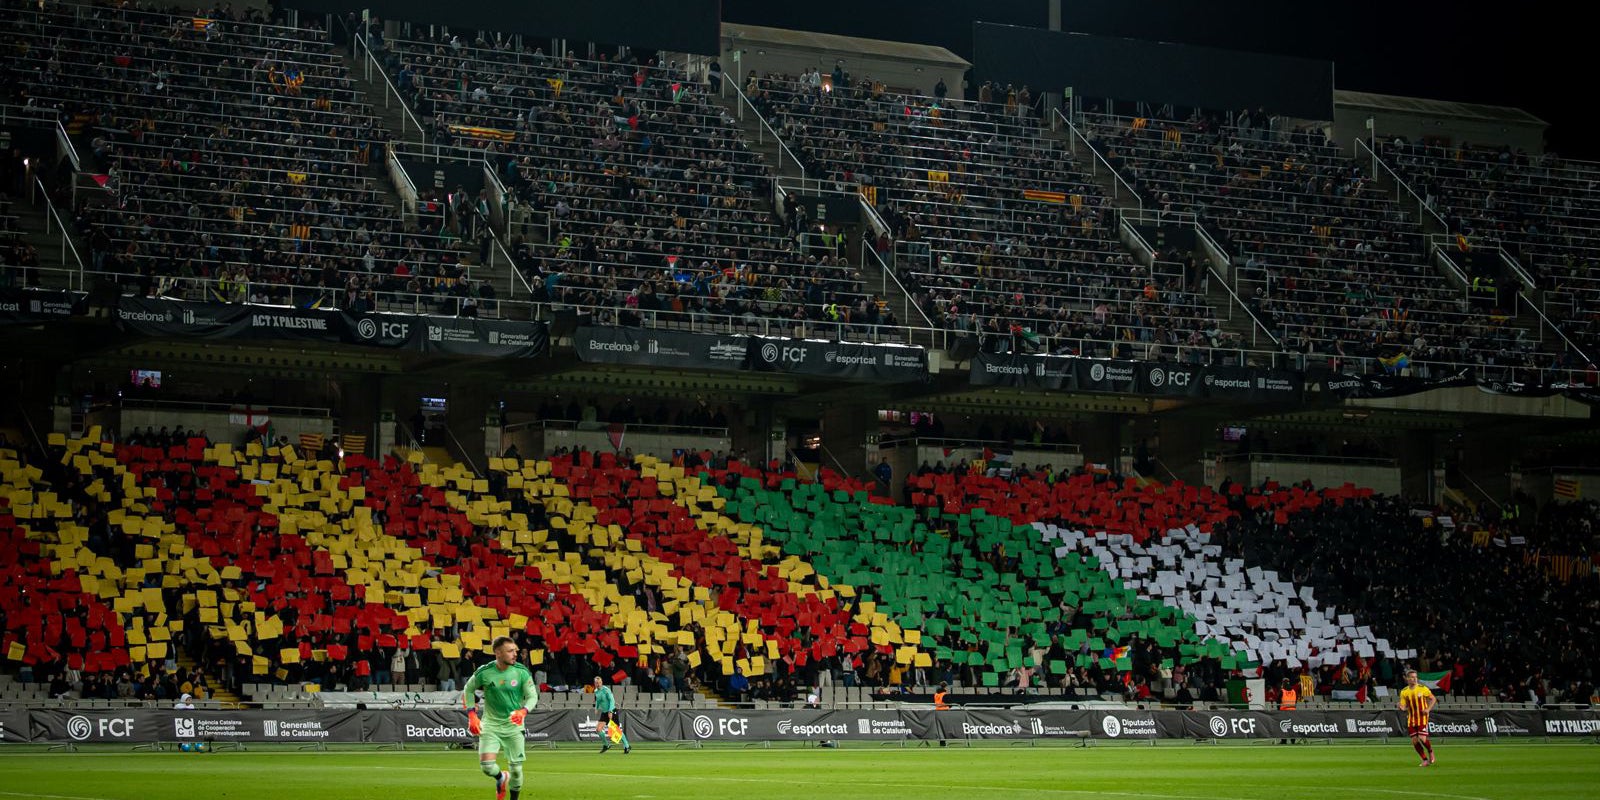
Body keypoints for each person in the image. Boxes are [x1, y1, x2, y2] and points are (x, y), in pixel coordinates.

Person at [463, 637, 539, 800]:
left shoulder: (521, 672)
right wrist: (472, 715)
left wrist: (523, 711)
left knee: (517, 770)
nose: (515, 654)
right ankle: (501, 778)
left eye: (515, 651)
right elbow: (468, 689)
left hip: (513, 725)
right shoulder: (485, 672)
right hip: (490, 725)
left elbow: (533, 696)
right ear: (497, 652)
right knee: (487, 767)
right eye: (510, 651)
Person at [1398, 669, 1436, 767]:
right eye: (1412, 677)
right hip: (1411, 718)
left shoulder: (1423, 688)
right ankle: (1424, 760)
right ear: (1407, 679)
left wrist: (1428, 709)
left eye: (1415, 677)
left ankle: (1431, 751)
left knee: (1422, 738)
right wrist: (1402, 707)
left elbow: (1433, 699)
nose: (1414, 679)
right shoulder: (1404, 692)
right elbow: (1404, 706)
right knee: (1414, 740)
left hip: (1422, 717)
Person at [593, 676, 630, 754]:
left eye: (599, 682)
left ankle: (627, 746)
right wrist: (596, 708)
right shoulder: (596, 691)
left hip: (612, 710)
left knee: (616, 730)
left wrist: (610, 711)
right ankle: (606, 745)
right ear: (595, 683)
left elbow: (612, 701)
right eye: (596, 683)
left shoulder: (606, 690)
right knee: (598, 729)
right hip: (604, 712)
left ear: (602, 682)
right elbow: (598, 700)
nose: (598, 684)